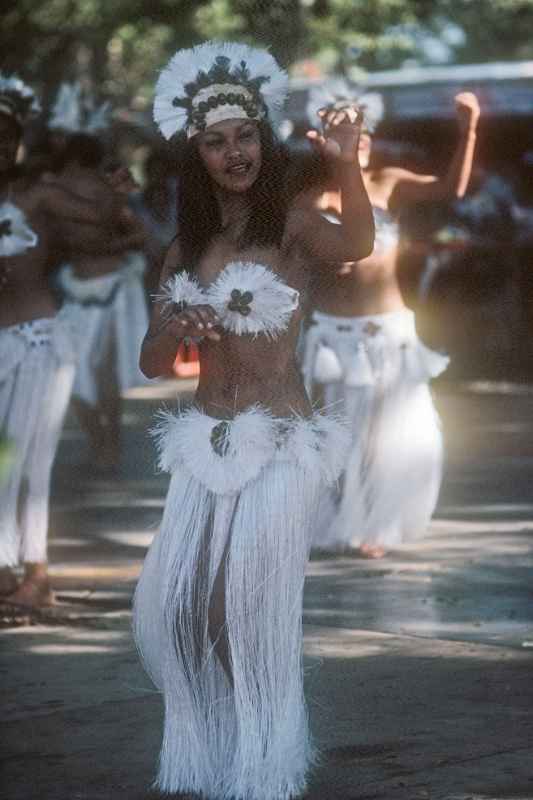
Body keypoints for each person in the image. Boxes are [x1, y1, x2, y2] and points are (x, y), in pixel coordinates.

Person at [132, 41, 374, 800]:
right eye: (215, 141)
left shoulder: (295, 225)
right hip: (207, 442)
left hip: (278, 440)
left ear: (262, 143)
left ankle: (266, 763)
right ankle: (227, 747)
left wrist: (347, 164)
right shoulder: (187, 246)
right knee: (177, 617)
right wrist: (181, 325)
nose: (232, 152)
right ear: (195, 154)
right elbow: (149, 359)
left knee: (240, 611)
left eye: (243, 136)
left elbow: (359, 244)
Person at [301, 82, 480, 558]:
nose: (356, 140)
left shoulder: (390, 184)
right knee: (337, 430)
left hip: (387, 328)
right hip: (332, 336)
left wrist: (469, 130)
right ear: (322, 139)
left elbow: (451, 189)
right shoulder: (313, 201)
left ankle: (376, 522)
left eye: (361, 132)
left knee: (385, 431)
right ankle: (339, 514)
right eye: (342, 131)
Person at [0, 75, 128, 606]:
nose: (1, 147)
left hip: (38, 343)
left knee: (31, 461)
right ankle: (6, 566)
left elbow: (100, 219)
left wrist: (114, 193)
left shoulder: (39, 194)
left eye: (8, 137)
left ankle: (37, 573)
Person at [54, 133, 148, 471]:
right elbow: (139, 234)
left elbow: (139, 234)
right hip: (76, 289)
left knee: (95, 372)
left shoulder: (98, 190)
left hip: (109, 287)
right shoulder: (60, 190)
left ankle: (108, 447)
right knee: (76, 372)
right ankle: (104, 445)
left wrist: (104, 248)